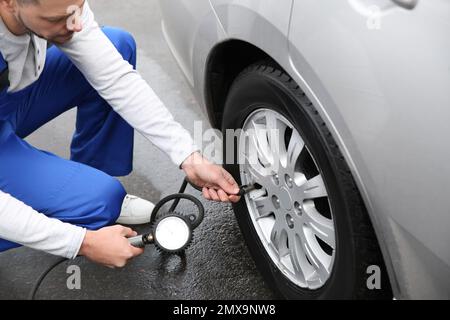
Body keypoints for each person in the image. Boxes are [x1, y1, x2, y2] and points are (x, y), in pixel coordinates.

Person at [0, 0, 241, 268]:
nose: (77, 24)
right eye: (59, 18)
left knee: (116, 44)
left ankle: (83, 184)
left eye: (78, 9)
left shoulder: (66, 9)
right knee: (101, 202)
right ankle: (83, 206)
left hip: (10, 99)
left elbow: (113, 76)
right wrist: (81, 242)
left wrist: (189, 156)